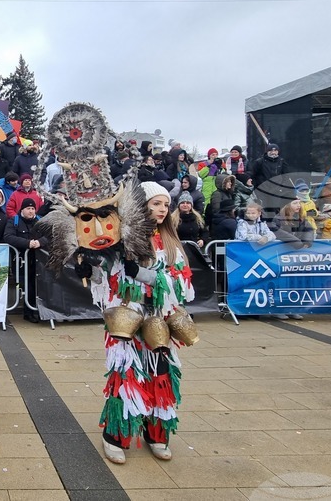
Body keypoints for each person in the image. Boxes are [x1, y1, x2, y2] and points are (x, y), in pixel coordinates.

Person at [98, 182, 195, 465]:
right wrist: (89, 267)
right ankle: (115, 436)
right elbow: (105, 279)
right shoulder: (120, 240)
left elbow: (181, 287)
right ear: (141, 206)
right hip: (127, 319)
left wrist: (144, 274)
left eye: (166, 204)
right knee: (126, 377)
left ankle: (157, 435)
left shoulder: (171, 244)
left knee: (160, 376)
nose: (163, 209)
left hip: (160, 320)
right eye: (156, 204)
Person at [2, 197, 44, 322]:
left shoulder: (40, 221)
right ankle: (28, 313)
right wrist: (27, 243)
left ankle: (39, 311)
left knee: (37, 285)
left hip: (38, 260)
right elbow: (8, 237)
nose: (31, 211)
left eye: (33, 208)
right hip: (21, 260)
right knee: (27, 286)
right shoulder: (13, 221)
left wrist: (40, 242)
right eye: (28, 208)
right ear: (22, 210)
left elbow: (49, 235)